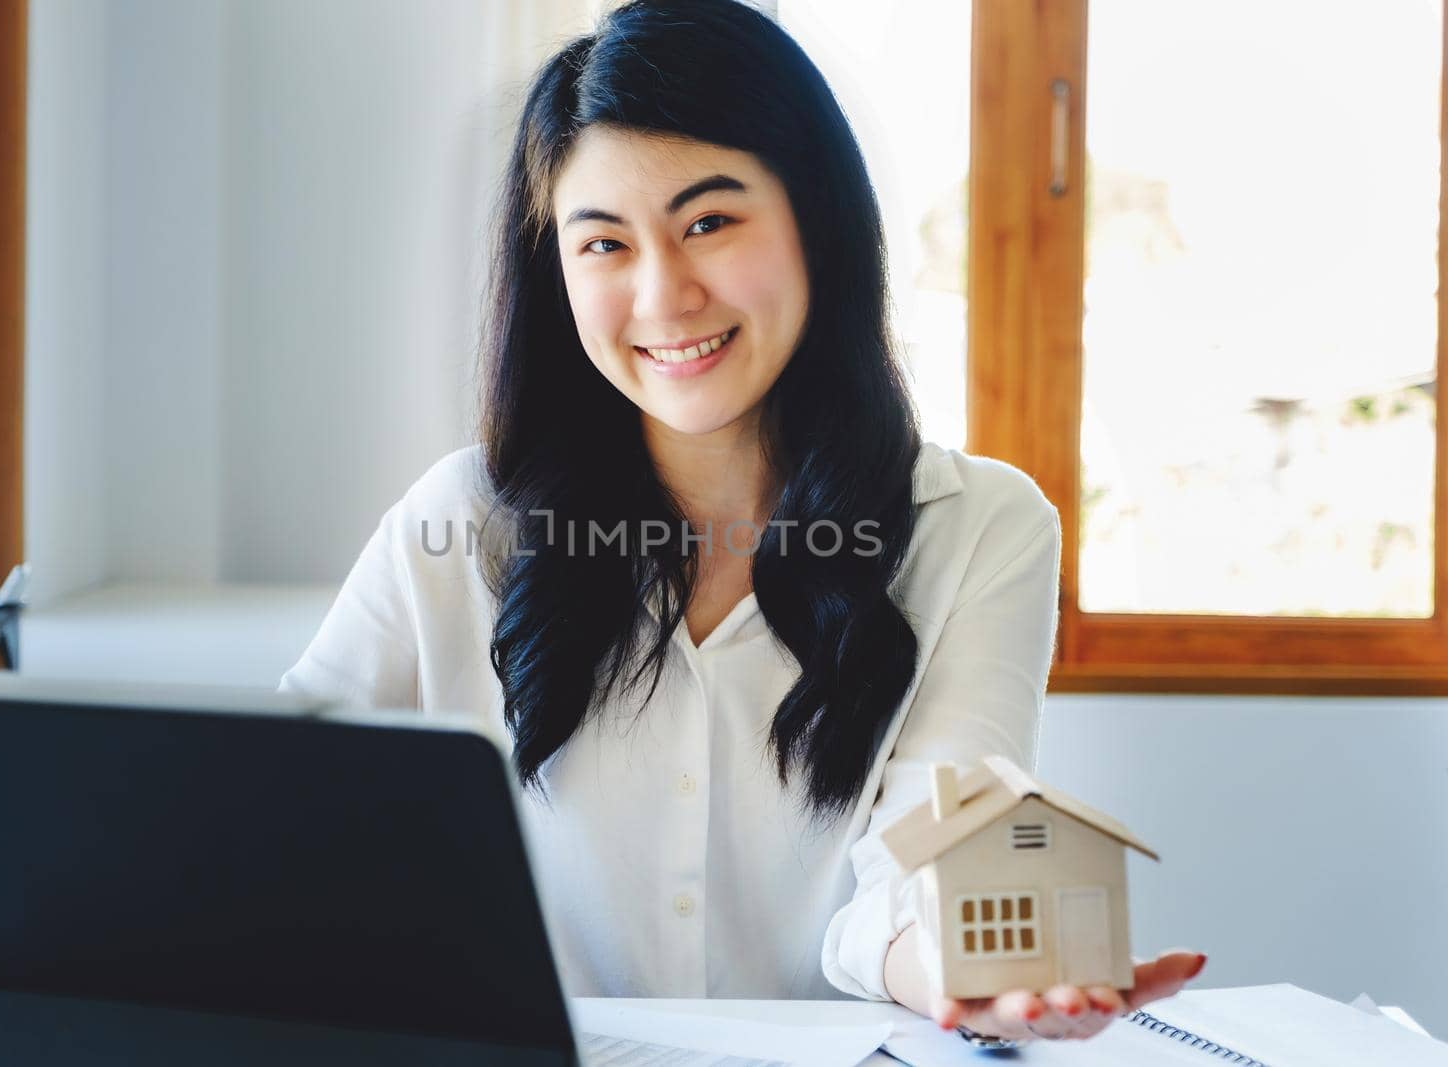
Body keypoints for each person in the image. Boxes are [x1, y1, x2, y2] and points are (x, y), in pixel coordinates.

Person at [280, 0, 1204, 1045]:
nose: (664, 294)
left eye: (709, 222)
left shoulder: (980, 528)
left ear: (817, 220)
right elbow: (269, 812)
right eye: (603, 244)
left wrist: (957, 965)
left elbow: (930, 856)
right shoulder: (461, 524)